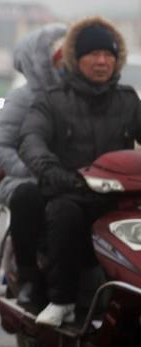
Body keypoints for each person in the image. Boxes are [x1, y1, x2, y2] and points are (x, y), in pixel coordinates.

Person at [18, 17, 141, 327]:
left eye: (108, 55)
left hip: (121, 197)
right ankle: (63, 302)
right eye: (93, 54)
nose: (102, 61)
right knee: (63, 213)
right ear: (76, 59)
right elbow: (31, 140)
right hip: (73, 192)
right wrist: (57, 174)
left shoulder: (129, 101)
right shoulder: (52, 102)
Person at [0, 23, 66, 308]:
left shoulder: (84, 95)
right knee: (27, 198)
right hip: (29, 179)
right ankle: (30, 277)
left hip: (77, 179)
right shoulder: (24, 98)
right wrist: (34, 171)